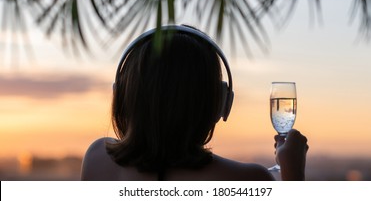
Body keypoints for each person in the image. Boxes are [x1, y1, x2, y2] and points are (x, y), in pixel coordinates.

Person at [81, 25, 308, 181]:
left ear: (121, 96)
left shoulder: (97, 158)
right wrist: (293, 172)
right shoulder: (249, 179)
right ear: (220, 104)